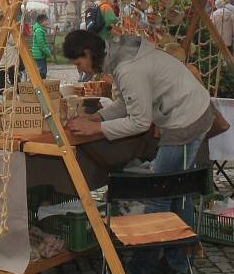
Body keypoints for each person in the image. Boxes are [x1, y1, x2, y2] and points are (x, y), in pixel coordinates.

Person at [64, 31, 212, 274]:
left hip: (186, 120)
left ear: (88, 54)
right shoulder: (120, 57)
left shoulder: (128, 67)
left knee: (159, 194)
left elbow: (139, 122)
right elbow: (126, 103)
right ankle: (179, 262)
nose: (81, 70)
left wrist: (96, 128)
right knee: (176, 192)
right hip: (184, 113)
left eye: (79, 63)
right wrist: (97, 116)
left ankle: (144, 266)